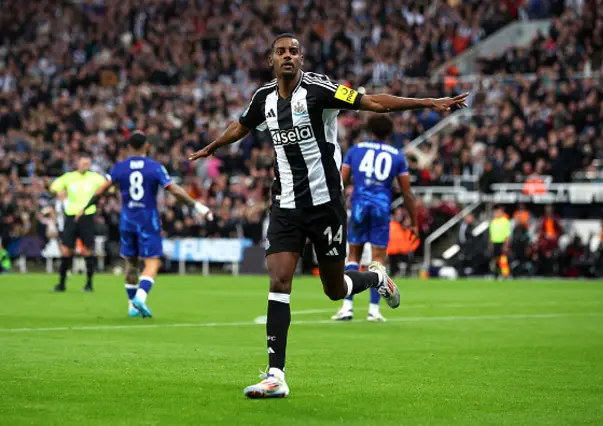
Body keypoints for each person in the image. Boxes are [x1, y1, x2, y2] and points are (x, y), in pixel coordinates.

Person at [189, 33, 468, 399]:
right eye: (280, 52)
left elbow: (375, 104)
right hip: (285, 205)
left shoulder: (321, 91)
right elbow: (242, 125)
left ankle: (375, 279)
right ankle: (275, 374)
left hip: (326, 207)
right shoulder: (264, 98)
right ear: (272, 60)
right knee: (279, 281)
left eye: (293, 51)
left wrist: (427, 102)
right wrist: (214, 145)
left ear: (300, 58)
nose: (287, 56)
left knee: (335, 289)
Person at [76, 131, 213, 317]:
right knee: (152, 261)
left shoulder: (119, 167)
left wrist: (85, 207)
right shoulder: (154, 167)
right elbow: (174, 190)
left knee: (131, 264)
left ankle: (131, 307)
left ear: (129, 147)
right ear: (146, 146)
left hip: (127, 219)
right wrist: (196, 205)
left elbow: (100, 191)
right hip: (148, 219)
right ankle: (140, 297)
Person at [331, 114, 417, 323]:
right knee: (377, 260)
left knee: (353, 257)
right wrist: (413, 221)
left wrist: (335, 209)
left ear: (369, 131)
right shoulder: (396, 155)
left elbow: (340, 182)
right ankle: (373, 310)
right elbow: (406, 192)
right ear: (390, 133)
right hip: (381, 208)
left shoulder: (356, 150)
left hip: (359, 206)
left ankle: (347, 307)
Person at [49, 153, 107, 292]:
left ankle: (89, 284)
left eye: (88, 164)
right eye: (83, 163)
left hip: (87, 216)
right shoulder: (69, 177)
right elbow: (53, 187)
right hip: (71, 215)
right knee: (66, 251)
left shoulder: (95, 178)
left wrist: (100, 196)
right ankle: (61, 283)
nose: (86, 166)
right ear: (77, 163)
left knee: (87, 250)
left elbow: (108, 187)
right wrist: (58, 192)